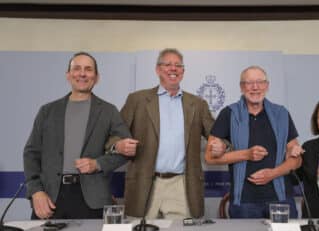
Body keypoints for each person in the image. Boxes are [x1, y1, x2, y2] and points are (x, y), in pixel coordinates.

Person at [111, 48, 225, 219]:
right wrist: (118, 145)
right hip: (144, 184)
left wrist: (222, 145)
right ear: (158, 69)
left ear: (183, 72)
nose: (173, 69)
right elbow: (114, 135)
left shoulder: (197, 103)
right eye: (168, 64)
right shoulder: (137, 100)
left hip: (181, 185)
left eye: (178, 65)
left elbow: (218, 134)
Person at [23, 52, 131, 219]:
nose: (82, 73)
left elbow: (126, 151)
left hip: (93, 199)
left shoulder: (109, 111)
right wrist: (36, 191)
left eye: (88, 69)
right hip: (50, 198)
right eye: (77, 69)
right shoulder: (47, 111)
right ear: (68, 75)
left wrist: (98, 164)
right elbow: (31, 154)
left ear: (96, 77)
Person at [205, 65, 303, 218]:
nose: (255, 87)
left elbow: (296, 160)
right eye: (249, 83)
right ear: (241, 87)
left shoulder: (281, 113)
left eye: (260, 82)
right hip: (244, 202)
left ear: (267, 86)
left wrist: (273, 174)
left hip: (281, 199)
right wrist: (246, 154)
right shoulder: (229, 113)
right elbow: (209, 157)